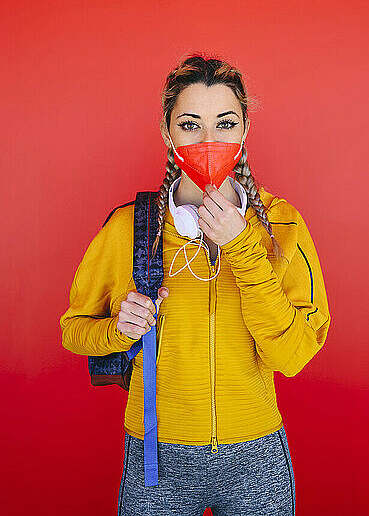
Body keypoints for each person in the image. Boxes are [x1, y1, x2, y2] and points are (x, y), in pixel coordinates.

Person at [60, 54, 331, 516]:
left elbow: (294, 355)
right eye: (190, 124)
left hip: (255, 456)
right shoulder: (130, 228)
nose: (209, 141)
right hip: (156, 456)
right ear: (167, 133)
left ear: (245, 131)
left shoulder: (282, 225)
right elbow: (74, 330)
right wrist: (120, 330)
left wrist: (243, 246)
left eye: (225, 124)